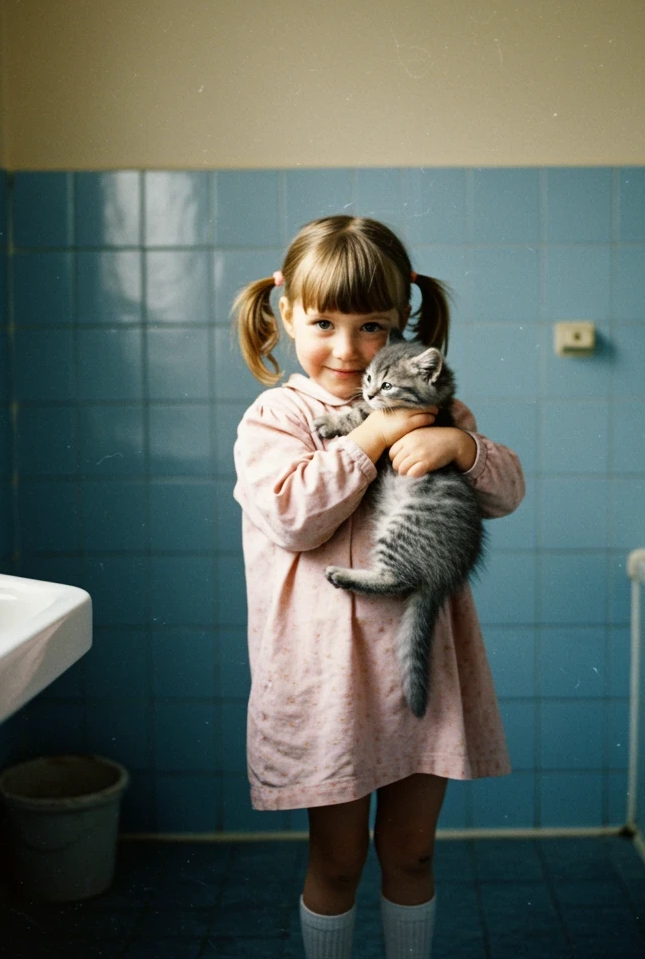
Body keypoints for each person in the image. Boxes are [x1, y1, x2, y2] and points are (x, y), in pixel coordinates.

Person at [229, 215, 525, 959]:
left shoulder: (434, 406)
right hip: (329, 680)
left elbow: (506, 492)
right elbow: (294, 517)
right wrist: (373, 435)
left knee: (412, 852)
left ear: (401, 323)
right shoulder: (279, 416)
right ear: (285, 312)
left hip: (420, 674)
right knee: (337, 860)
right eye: (324, 323)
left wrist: (462, 445)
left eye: (371, 327)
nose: (347, 348)